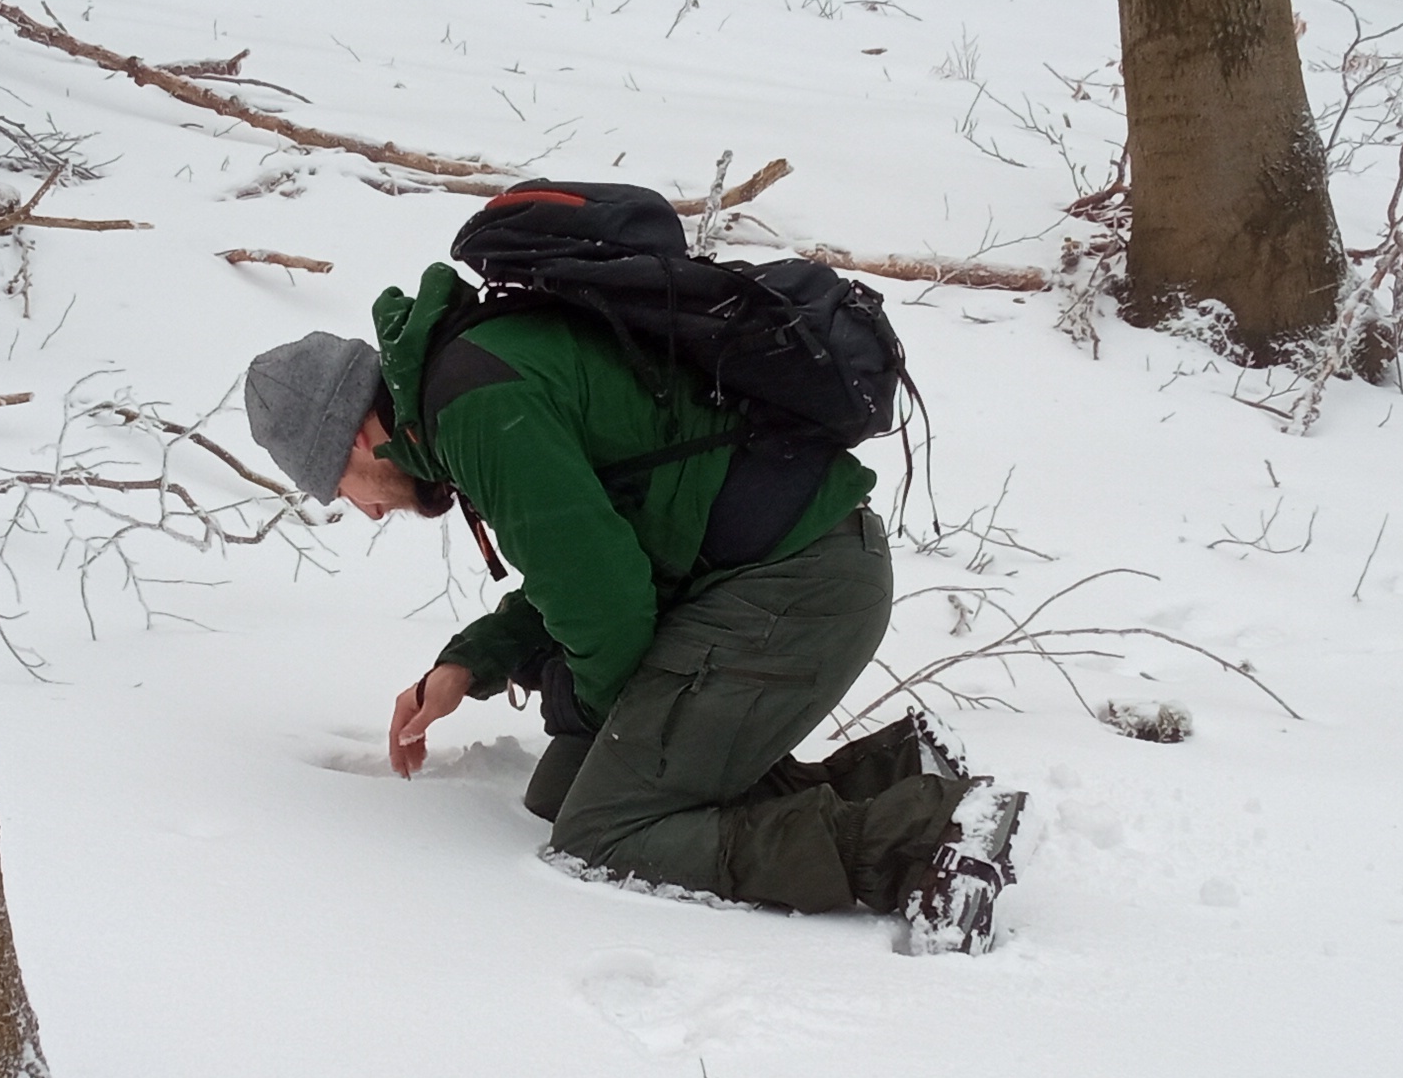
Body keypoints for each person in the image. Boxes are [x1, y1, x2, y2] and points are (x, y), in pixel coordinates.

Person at [243, 218, 1017, 942]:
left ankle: (927, 840)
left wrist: (589, 700)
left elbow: (603, 605)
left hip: (794, 588)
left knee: (605, 829)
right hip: (773, 577)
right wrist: (470, 664)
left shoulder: (476, 409)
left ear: (354, 439)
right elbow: (586, 563)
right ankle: (896, 769)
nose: (369, 515)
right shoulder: (468, 381)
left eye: (341, 492)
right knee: (565, 788)